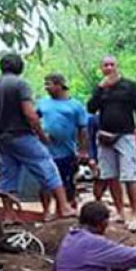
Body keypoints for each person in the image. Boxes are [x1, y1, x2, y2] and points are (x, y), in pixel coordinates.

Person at [0, 53, 74, 220]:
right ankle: (64, 206)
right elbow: (30, 114)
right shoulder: (20, 84)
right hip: (21, 134)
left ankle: (9, 215)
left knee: (8, 174)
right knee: (47, 166)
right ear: (19, 67)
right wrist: (41, 135)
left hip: (1, 137)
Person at [86, 55, 136, 231]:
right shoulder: (100, 88)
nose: (109, 67)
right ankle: (120, 212)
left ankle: (135, 214)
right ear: (101, 68)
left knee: (130, 175)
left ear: (117, 66)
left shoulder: (129, 86)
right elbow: (90, 108)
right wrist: (99, 88)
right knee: (110, 175)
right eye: (105, 65)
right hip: (105, 136)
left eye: (112, 64)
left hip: (126, 134)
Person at [36, 73, 88, 221]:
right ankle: (46, 211)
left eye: (49, 84)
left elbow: (83, 128)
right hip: (46, 151)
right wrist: (39, 134)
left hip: (67, 151)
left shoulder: (75, 106)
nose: (46, 88)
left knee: (67, 181)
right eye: (45, 84)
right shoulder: (43, 103)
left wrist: (83, 150)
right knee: (44, 182)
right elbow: (33, 118)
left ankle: (63, 209)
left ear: (59, 85)